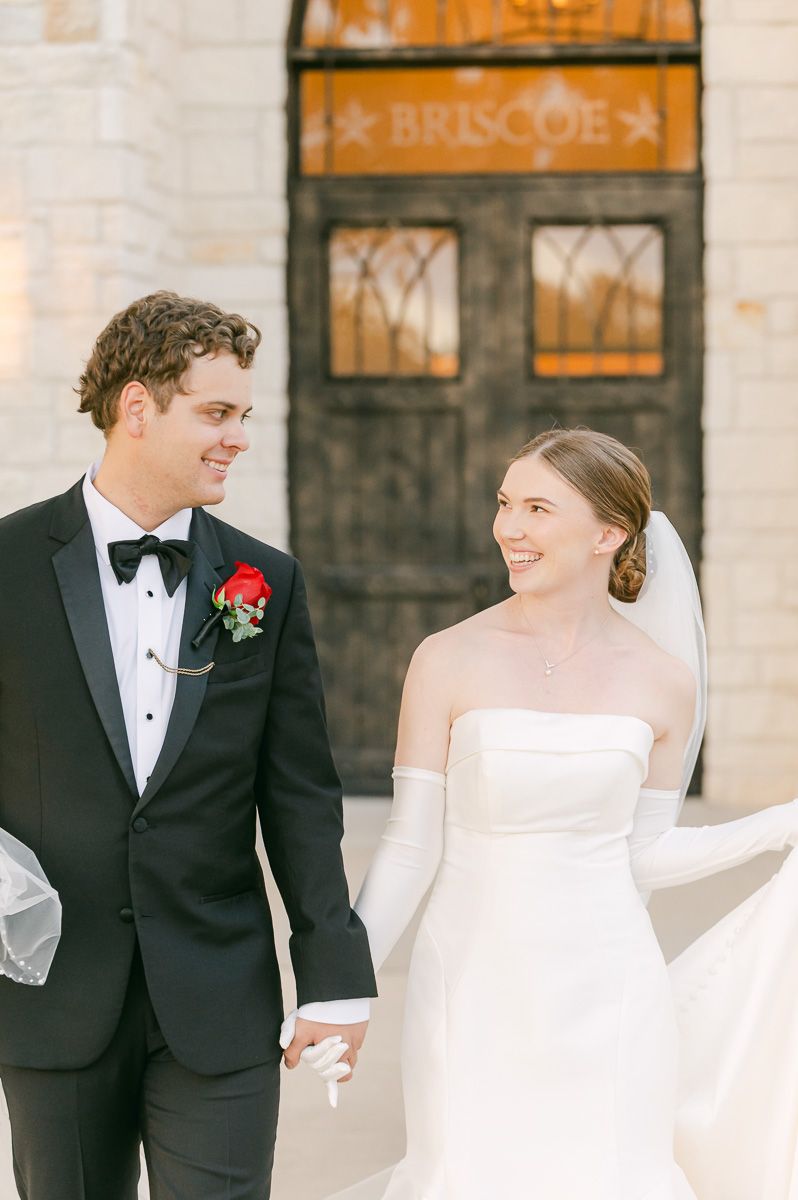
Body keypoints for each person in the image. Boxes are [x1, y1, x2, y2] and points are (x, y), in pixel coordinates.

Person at [313, 428, 798, 1199]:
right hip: (473, 981)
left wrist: (782, 824)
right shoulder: (447, 657)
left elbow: (646, 853)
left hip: (611, 988)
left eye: (538, 508)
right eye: (506, 504)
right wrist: (340, 990)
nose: (509, 527)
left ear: (610, 533)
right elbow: (409, 848)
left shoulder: (664, 681)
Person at [0, 291, 376, 1200]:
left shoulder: (265, 581)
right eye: (216, 413)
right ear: (137, 408)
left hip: (217, 996)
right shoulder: (6, 566)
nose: (237, 437)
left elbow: (300, 796)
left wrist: (333, 979)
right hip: (52, 996)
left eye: (243, 416)